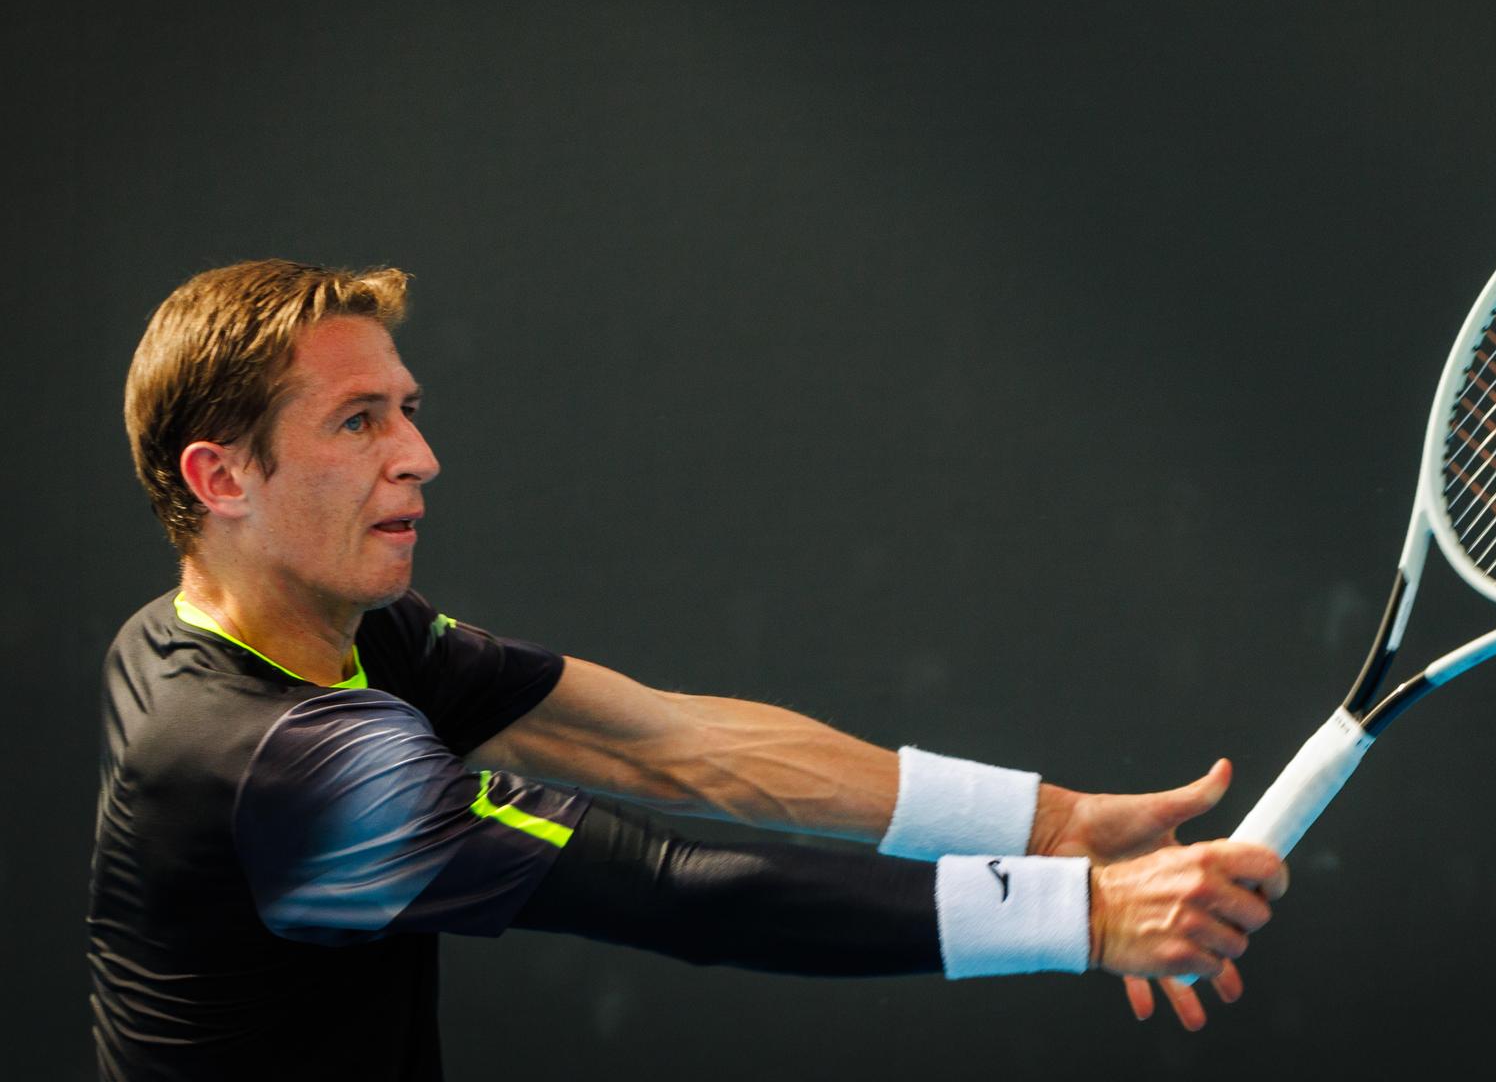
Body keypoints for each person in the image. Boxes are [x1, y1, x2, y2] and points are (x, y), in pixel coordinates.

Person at [91, 260, 1287, 1081]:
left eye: (406, 409)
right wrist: (1081, 914)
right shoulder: (282, 759)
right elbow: (674, 883)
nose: (421, 454)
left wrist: (1055, 823)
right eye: (358, 421)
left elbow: (666, 739)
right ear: (220, 477)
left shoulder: (252, 631)